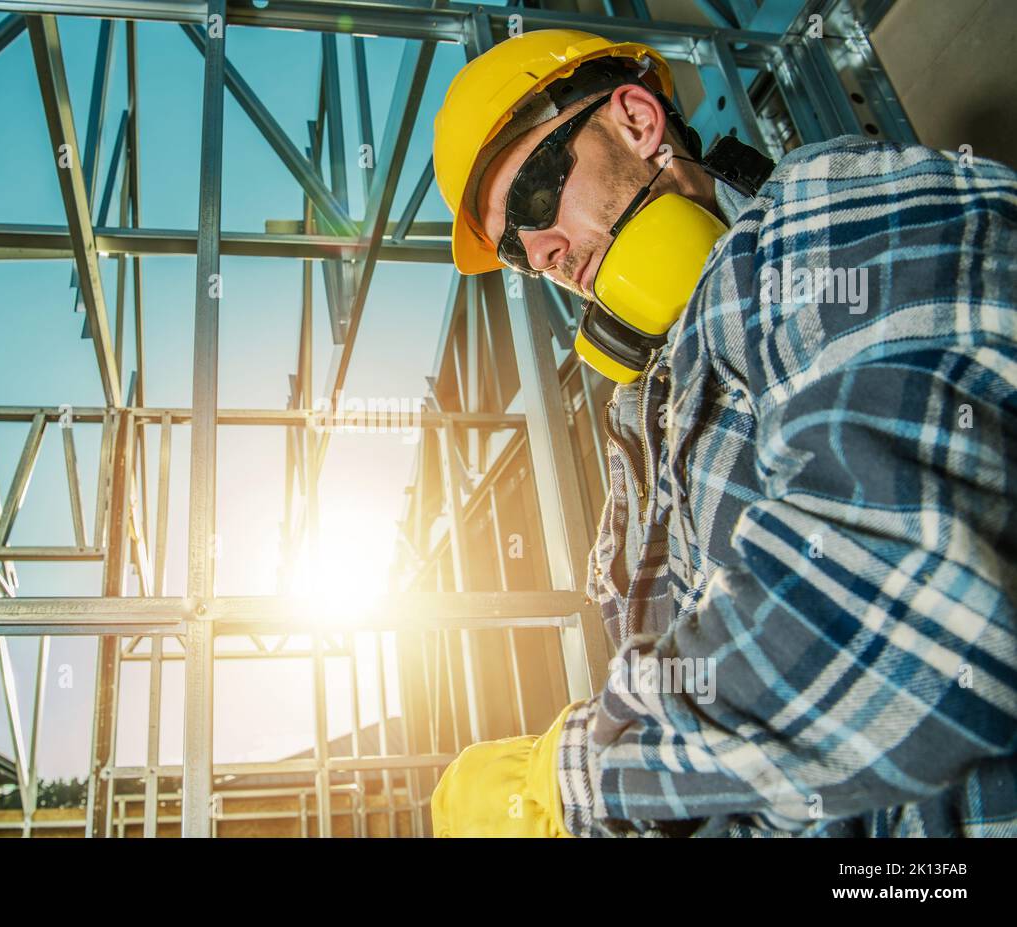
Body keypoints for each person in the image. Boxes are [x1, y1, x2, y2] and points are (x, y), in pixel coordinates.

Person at [429, 28, 1017, 837]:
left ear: (636, 120)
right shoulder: (639, 423)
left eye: (533, 197)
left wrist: (567, 784)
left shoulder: (832, 221)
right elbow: (727, 778)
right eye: (516, 250)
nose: (543, 254)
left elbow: (891, 621)